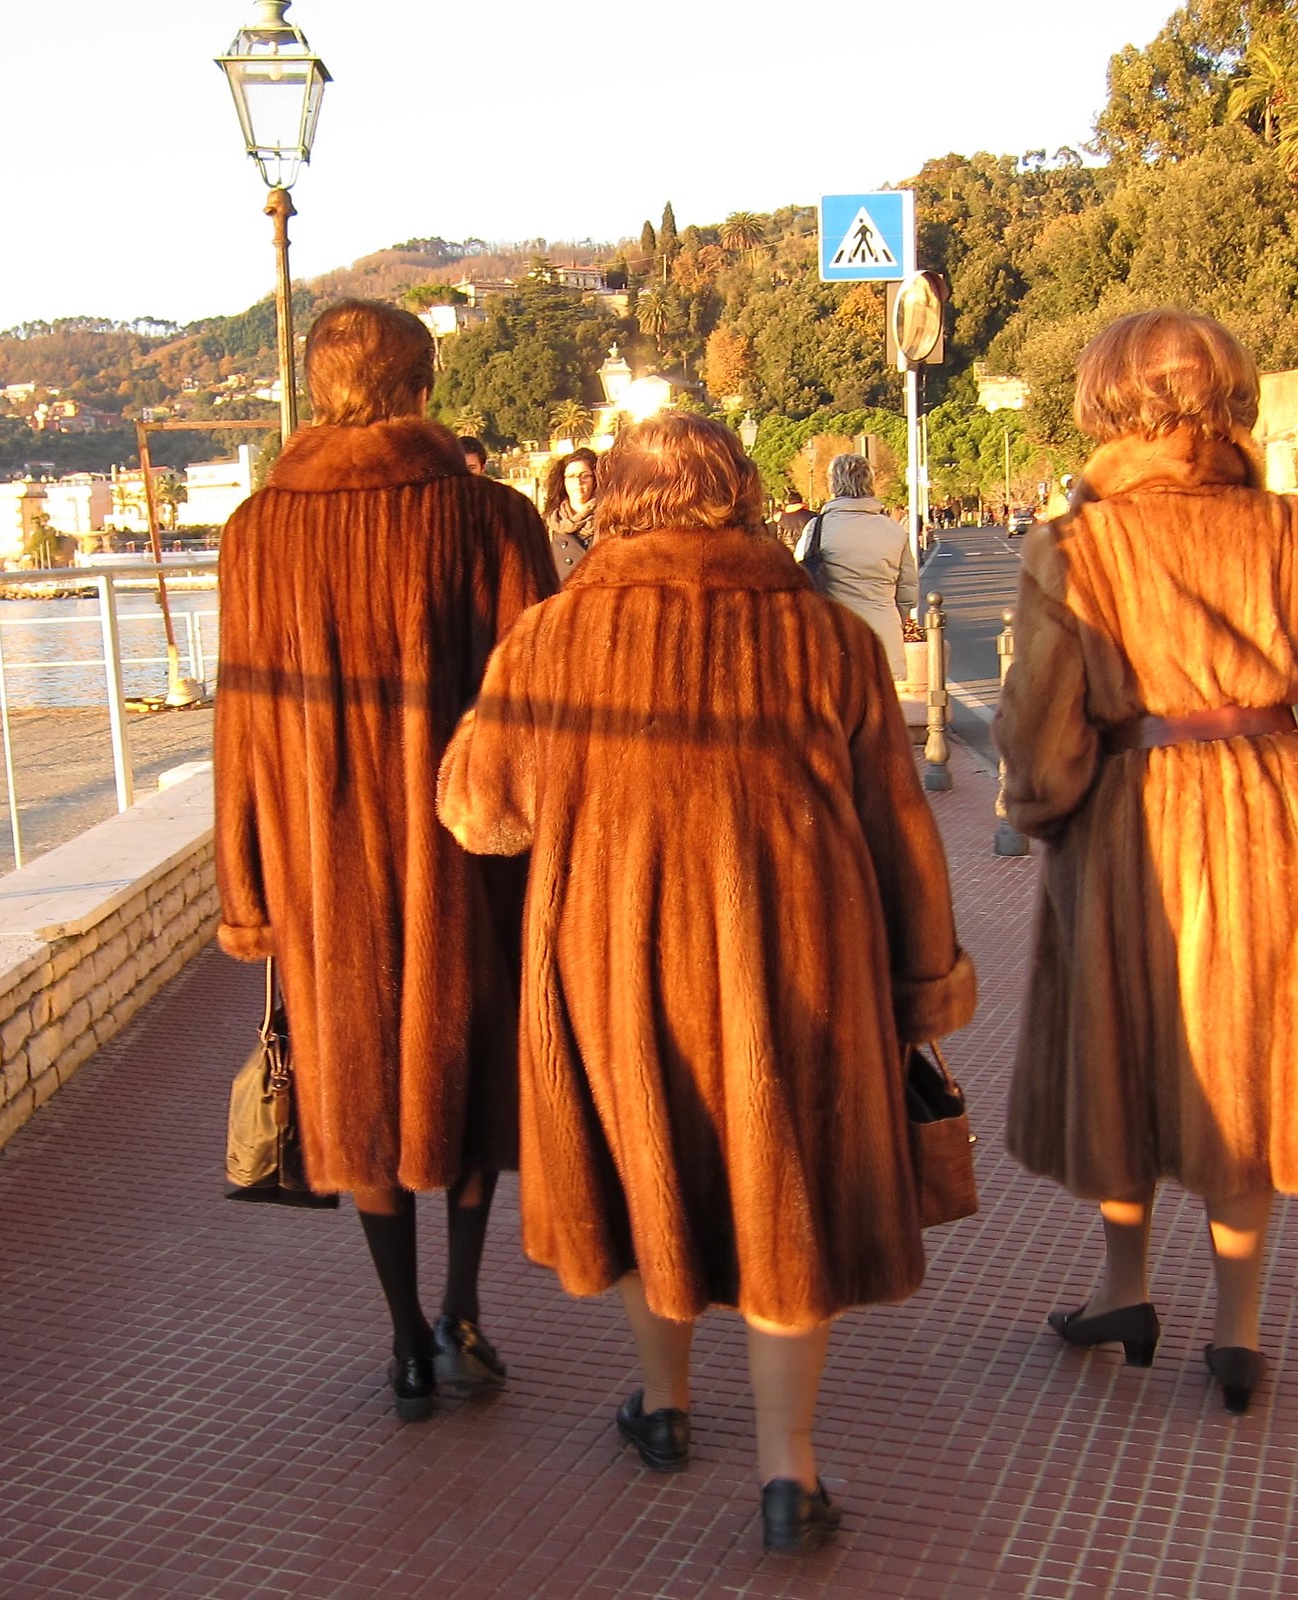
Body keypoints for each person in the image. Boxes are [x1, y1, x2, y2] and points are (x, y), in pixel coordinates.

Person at [438, 412, 974, 1552]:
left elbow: (479, 811)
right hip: (801, 958)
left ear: (612, 500)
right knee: (790, 1195)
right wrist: (927, 981)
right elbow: (898, 825)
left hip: (614, 956)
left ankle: (668, 1410)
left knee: (645, 1174)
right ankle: (790, 1474)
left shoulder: (550, 637)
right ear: (736, 492)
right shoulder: (824, 637)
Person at [994, 308, 1298, 1417]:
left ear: (1105, 405)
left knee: (1122, 1059)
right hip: (1275, 817)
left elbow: (1042, 739)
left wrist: (1049, 815)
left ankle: (1124, 1289)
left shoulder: (1076, 546)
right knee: (1249, 1068)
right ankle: (1237, 1332)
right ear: (1233, 399)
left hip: (1130, 827)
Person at [215, 299, 559, 1424]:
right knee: (464, 1074)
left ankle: (403, 1337)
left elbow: (241, 721)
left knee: (353, 1080)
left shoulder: (257, 529)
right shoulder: (492, 517)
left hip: (323, 859)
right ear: (421, 383)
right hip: (468, 850)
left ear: (320, 387)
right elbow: (536, 702)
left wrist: (246, 886)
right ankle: (462, 1313)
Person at [795, 452, 919, 681]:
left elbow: (799, 578)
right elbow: (908, 592)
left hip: (833, 635)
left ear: (833, 485)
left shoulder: (818, 529)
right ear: (870, 484)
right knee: (883, 711)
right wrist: (893, 618)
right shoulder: (894, 531)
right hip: (882, 638)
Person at [543, 447, 597, 581]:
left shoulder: (610, 520)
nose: (578, 482)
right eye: (571, 477)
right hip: (563, 598)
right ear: (563, 481)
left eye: (584, 476)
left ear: (595, 479)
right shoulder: (549, 525)